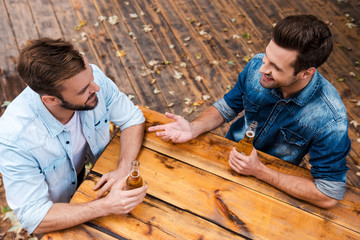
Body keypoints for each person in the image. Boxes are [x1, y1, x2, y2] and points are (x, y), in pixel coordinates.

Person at [149, 15, 351, 209]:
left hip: (272, 188)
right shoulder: (258, 65)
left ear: (306, 73)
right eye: (266, 56)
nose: (262, 69)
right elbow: (228, 106)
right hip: (224, 158)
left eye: (275, 67)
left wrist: (259, 171)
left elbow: (328, 194)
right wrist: (193, 128)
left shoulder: (331, 120)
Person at [0, 38, 147, 234]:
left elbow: (132, 118)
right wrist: (106, 206)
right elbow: (33, 217)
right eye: (84, 90)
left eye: (91, 78)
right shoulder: (13, 139)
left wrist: (123, 168)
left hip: (84, 182)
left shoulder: (89, 81)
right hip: (55, 211)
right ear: (51, 99)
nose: (96, 88)